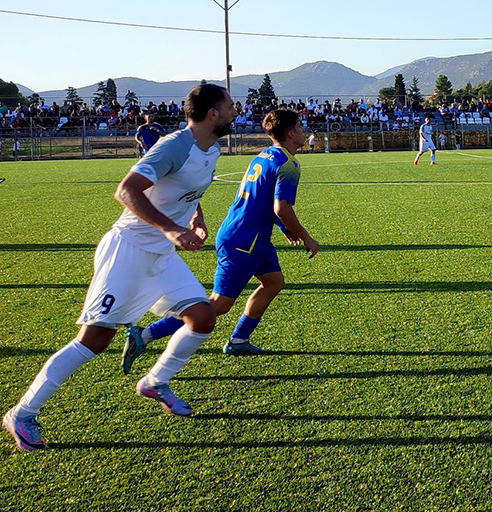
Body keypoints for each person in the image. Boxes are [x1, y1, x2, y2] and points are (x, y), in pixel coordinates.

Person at [3, 84, 234, 452]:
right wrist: (172, 229)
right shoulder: (176, 145)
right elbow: (126, 189)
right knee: (94, 339)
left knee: (203, 317)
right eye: (230, 107)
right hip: (128, 251)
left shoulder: (213, 148)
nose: (235, 112)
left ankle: (155, 382)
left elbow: (185, 192)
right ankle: (23, 412)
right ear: (212, 114)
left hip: (161, 255)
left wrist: (194, 219)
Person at [124, 109, 319, 362]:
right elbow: (280, 207)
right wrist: (306, 236)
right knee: (219, 304)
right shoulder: (289, 164)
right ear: (291, 133)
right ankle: (146, 334)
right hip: (244, 240)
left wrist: (285, 229)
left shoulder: (263, 156)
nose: (303, 131)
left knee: (274, 282)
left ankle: (239, 340)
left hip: (253, 237)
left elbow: (264, 201)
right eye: (300, 127)